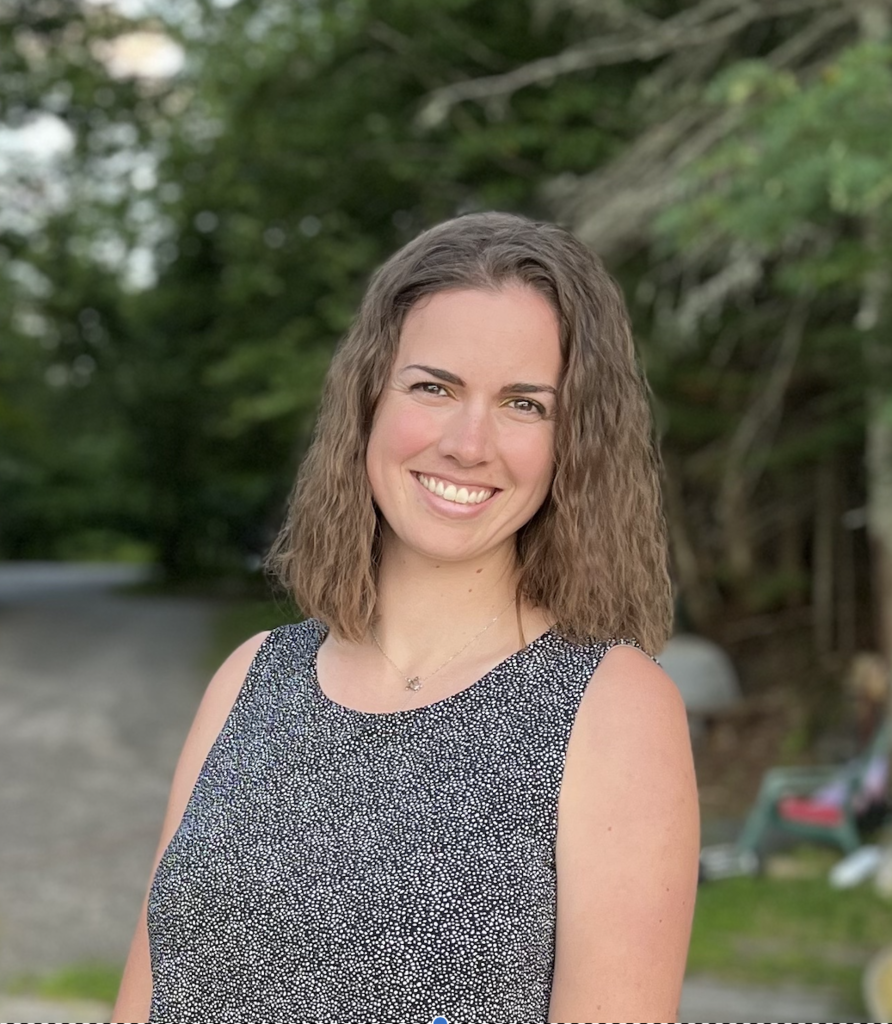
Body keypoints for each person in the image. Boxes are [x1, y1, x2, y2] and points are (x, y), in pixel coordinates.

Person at [112, 211, 699, 1024]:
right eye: (434, 387)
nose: (468, 443)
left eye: (524, 404)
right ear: (368, 401)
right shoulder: (251, 678)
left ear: (575, 443)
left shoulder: (614, 708)